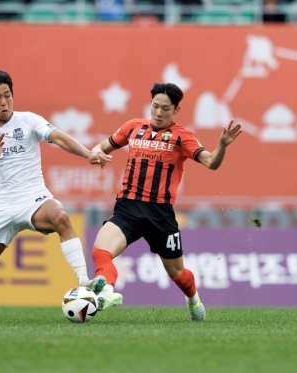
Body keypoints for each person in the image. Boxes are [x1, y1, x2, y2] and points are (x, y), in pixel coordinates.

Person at [0, 71, 111, 322]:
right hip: (2, 208)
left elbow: (58, 137)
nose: (4, 102)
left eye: (8, 95)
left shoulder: (29, 121)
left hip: (34, 199)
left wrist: (87, 154)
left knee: (60, 216)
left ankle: (84, 280)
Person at [90, 82, 242, 321]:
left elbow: (211, 162)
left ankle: (193, 301)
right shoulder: (133, 127)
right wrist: (96, 152)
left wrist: (222, 145)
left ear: (176, 110)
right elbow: (102, 146)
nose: (159, 113)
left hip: (160, 214)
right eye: (155, 106)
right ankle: (107, 290)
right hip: (128, 207)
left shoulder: (182, 136)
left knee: (177, 273)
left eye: (165, 109)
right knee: (101, 250)